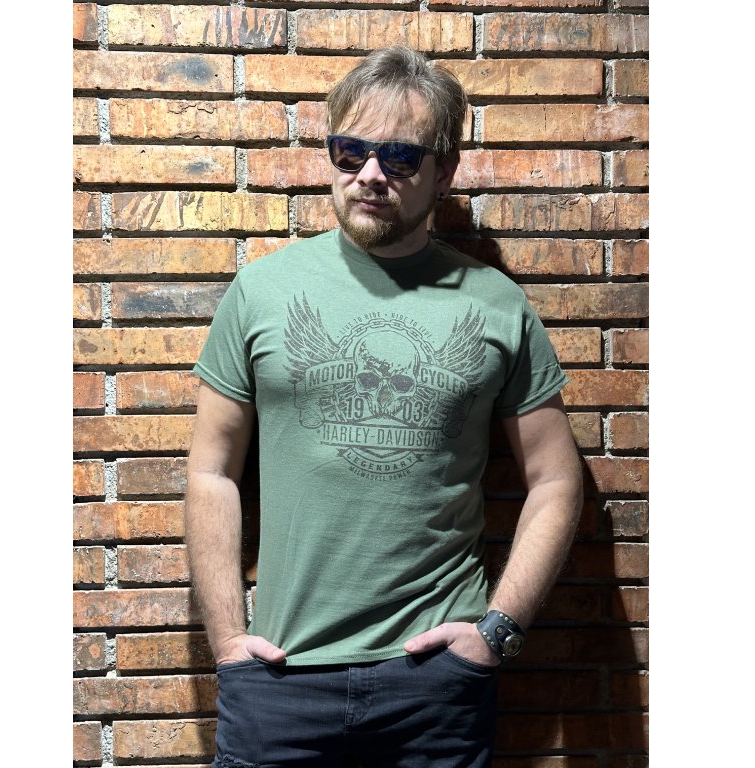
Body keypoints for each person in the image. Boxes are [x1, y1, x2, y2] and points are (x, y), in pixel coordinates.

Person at [184, 45, 584, 768]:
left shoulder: (494, 304)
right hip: (279, 678)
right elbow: (211, 472)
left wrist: (495, 634)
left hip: (435, 683)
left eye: (400, 157)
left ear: (444, 172)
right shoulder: (262, 292)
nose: (370, 174)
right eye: (351, 151)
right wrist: (227, 643)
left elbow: (556, 480)